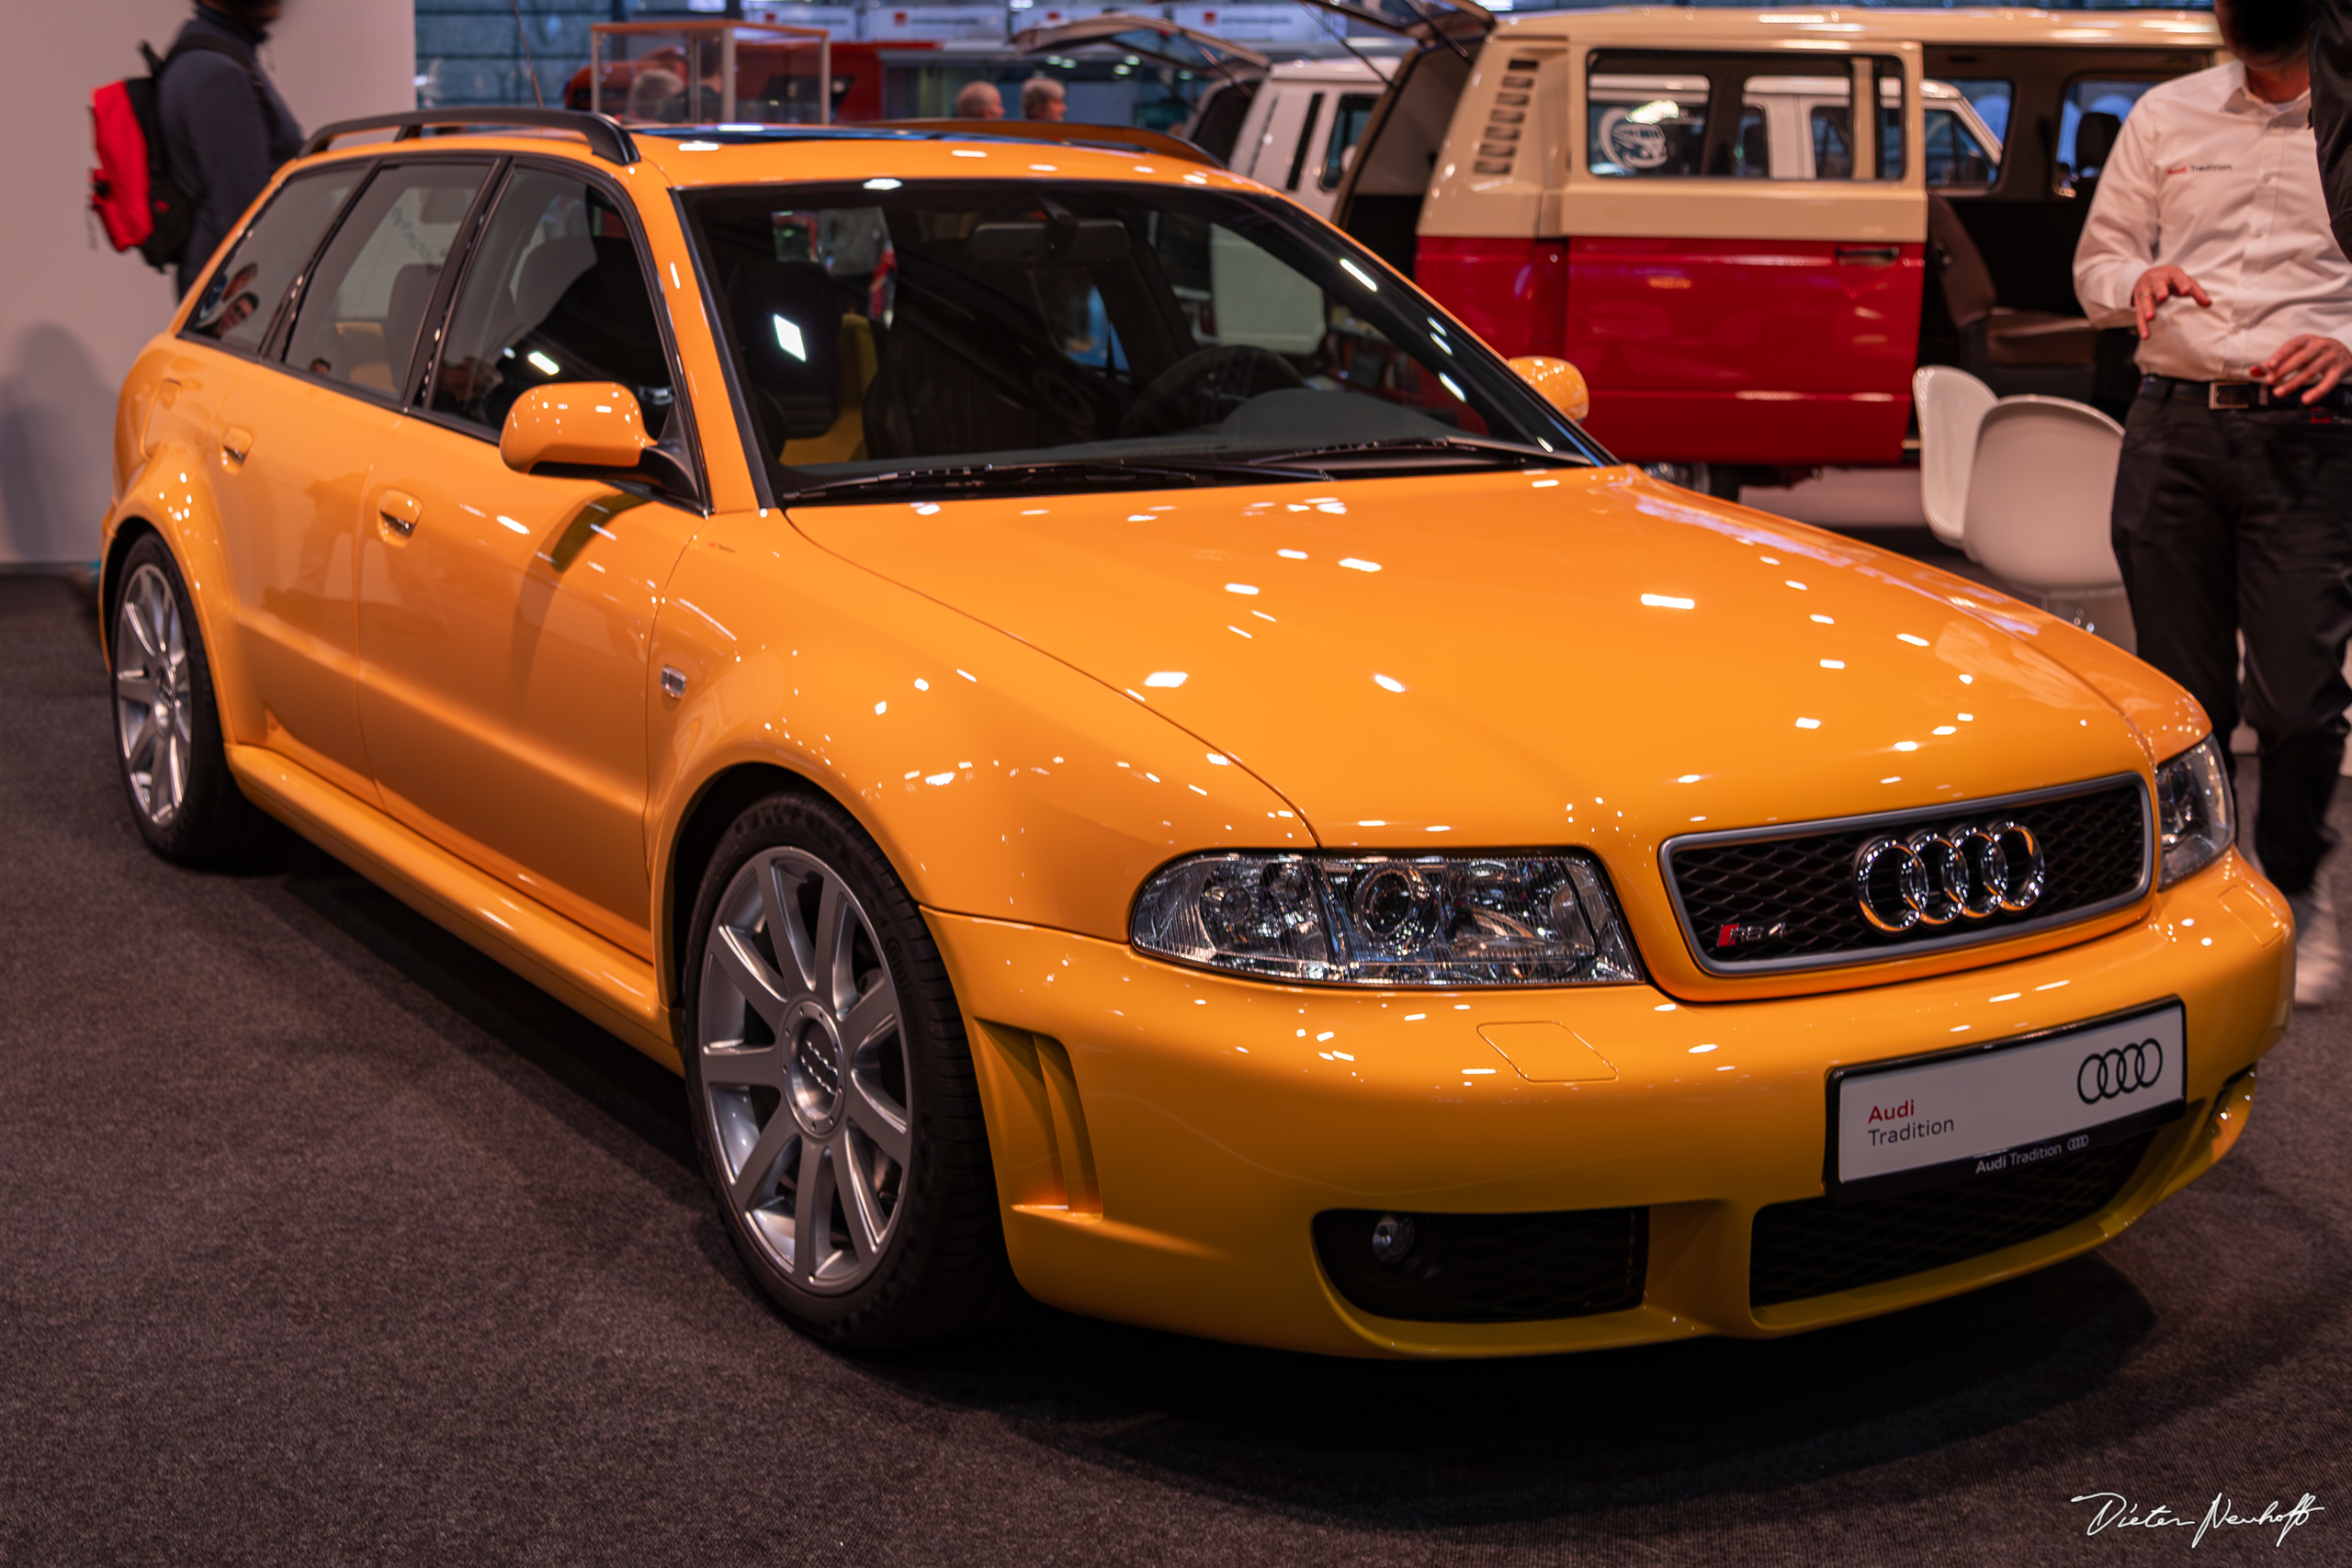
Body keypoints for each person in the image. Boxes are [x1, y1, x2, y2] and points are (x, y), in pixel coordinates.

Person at [2075, 0, 2352, 1005]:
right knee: (2180, 701)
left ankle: (2291, 889)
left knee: (2299, 703)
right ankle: (2197, 901)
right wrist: (2135, 280)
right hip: (2173, 429)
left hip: (2310, 437)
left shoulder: (2346, 118)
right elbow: (2095, 265)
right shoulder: (2168, 111)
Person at [157, 0, 304, 298]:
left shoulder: (212, 56)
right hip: (243, 302)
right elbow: (250, 218)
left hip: (233, 295)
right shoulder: (217, 72)